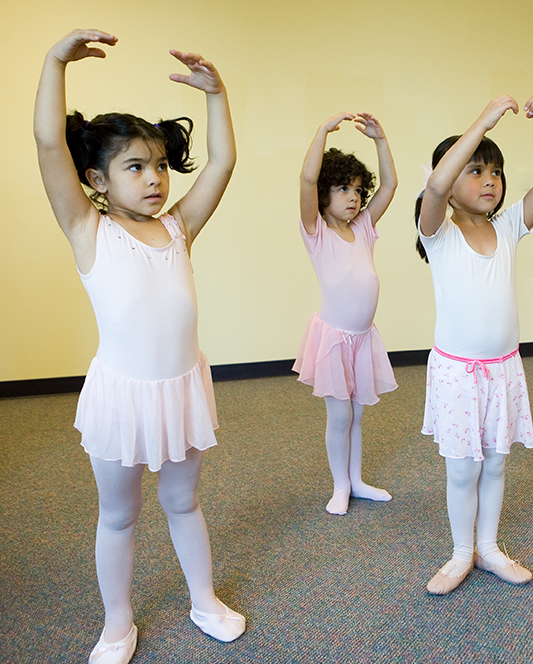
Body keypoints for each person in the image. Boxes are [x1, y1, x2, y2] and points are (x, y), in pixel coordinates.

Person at [34, 29, 242, 663]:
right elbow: (48, 143)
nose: (154, 179)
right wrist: (54, 63)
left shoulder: (178, 228)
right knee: (119, 517)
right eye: (135, 167)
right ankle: (116, 623)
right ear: (96, 177)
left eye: (158, 164)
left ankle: (203, 598)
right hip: (122, 395)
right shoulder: (88, 229)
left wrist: (218, 96)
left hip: (180, 388)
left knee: (184, 502)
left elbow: (224, 164)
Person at [416, 95, 533, 594]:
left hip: (502, 370)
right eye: (476, 170)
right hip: (459, 373)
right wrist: (483, 122)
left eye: (496, 172)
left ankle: (489, 547)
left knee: (496, 463)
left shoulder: (506, 228)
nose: (489, 181)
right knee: (464, 470)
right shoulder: (438, 231)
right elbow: (436, 184)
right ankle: (461, 553)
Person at [294, 112, 398, 516]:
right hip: (334, 338)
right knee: (339, 415)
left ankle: (356, 480)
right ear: (324, 194)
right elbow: (305, 180)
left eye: (357, 189)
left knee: (356, 415)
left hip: (363, 337)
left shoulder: (365, 227)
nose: (353, 198)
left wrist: (381, 139)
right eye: (342, 189)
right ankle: (340, 485)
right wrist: (320, 132)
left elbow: (390, 185)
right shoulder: (316, 231)